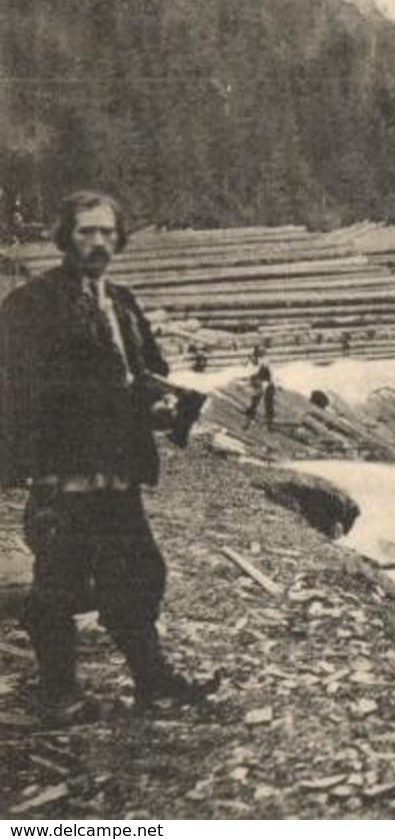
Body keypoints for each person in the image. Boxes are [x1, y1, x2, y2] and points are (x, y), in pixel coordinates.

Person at [0, 191, 219, 723]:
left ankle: (153, 685)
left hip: (117, 473)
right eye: (84, 231)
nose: (96, 242)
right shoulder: (31, 305)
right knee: (59, 584)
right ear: (64, 238)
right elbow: (14, 390)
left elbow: (140, 378)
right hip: (63, 474)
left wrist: (161, 408)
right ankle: (58, 695)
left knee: (141, 574)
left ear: (118, 238)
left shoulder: (121, 301)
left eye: (105, 232)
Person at [244, 359, 276, 428]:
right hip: (264, 386)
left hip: (267, 387)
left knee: (265, 402)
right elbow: (258, 375)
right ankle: (253, 413)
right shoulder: (263, 368)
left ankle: (269, 419)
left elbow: (267, 379)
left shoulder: (266, 369)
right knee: (258, 400)